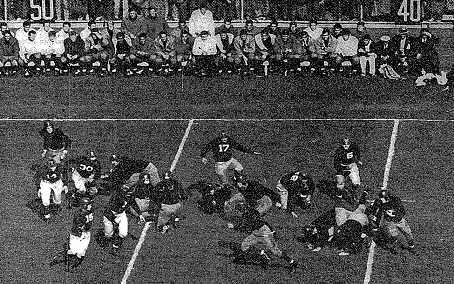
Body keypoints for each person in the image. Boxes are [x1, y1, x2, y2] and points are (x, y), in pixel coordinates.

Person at [227, 202, 298, 272]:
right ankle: (263, 256)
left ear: (242, 210)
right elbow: (262, 221)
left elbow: (246, 225)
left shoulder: (248, 215)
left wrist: (234, 226)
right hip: (255, 232)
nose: (238, 212)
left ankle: (292, 262)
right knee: (244, 246)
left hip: (264, 233)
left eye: (238, 210)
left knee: (275, 251)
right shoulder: (251, 211)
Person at [49, 197, 93, 272]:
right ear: (84, 205)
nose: (91, 206)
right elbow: (79, 226)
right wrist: (82, 228)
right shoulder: (80, 214)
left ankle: (73, 265)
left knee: (81, 252)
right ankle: (64, 259)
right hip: (77, 235)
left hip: (86, 234)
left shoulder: (89, 212)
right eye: (89, 204)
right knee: (73, 251)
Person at [102, 186, 137, 254]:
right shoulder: (116, 197)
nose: (129, 195)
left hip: (121, 215)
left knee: (123, 234)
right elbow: (111, 208)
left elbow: (134, 204)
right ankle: (108, 233)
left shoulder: (130, 196)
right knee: (109, 235)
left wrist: (140, 214)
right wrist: (113, 220)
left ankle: (115, 247)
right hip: (110, 215)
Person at [334, 191, 370, 255]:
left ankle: (364, 194)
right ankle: (364, 194)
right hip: (353, 219)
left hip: (355, 219)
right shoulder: (342, 236)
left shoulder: (354, 238)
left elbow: (364, 234)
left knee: (360, 207)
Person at [334, 138, 362, 202]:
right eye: (344, 144)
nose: (346, 145)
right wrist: (343, 168)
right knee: (340, 185)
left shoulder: (353, 147)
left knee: (356, 183)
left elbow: (357, 151)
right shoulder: (339, 151)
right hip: (342, 167)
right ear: (342, 144)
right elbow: (336, 163)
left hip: (351, 166)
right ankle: (339, 195)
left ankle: (353, 193)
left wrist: (358, 159)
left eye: (347, 144)